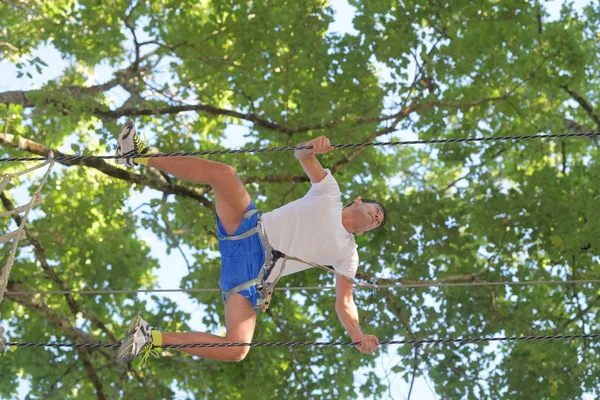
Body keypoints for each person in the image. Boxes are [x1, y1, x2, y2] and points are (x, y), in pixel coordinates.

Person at [115, 118, 387, 363]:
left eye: (378, 221)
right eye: (376, 211)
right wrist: (312, 146)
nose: (376, 217)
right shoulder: (330, 192)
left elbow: (345, 302)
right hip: (249, 228)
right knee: (225, 174)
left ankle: (150, 338)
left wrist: (357, 334)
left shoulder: (348, 253)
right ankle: (138, 156)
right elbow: (301, 155)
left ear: (364, 232)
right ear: (358, 201)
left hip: (254, 275)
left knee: (238, 349)